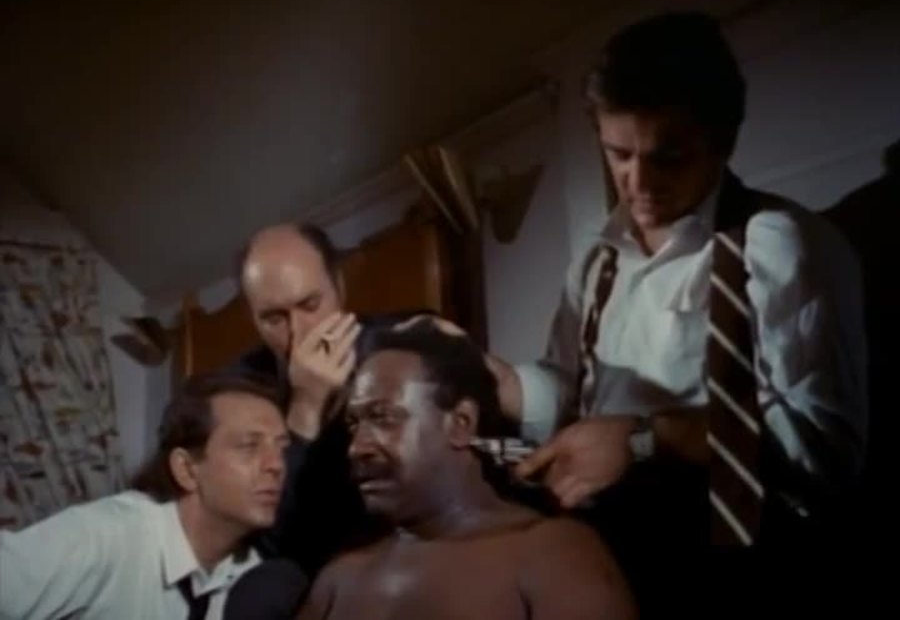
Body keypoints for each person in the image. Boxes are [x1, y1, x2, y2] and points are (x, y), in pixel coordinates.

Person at [474, 11, 867, 614]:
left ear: (723, 141)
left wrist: (645, 439)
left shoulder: (785, 247)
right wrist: (507, 386)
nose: (638, 182)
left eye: (669, 156)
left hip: (737, 580)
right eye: (619, 154)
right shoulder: (596, 263)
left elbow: (823, 448)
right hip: (611, 570)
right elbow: (571, 389)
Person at [297, 324, 636, 620]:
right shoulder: (338, 580)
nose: (357, 447)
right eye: (353, 425)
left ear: (461, 424)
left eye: (382, 417)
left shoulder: (552, 556)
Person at [0, 372, 291, 620]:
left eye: (281, 448)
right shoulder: (102, 537)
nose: (276, 465)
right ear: (186, 469)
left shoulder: (252, 580)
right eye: (249, 446)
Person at [235, 223, 429, 572]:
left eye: (310, 304)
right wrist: (305, 408)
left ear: (339, 286)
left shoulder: (406, 342)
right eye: (274, 318)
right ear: (253, 319)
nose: (299, 335)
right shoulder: (239, 392)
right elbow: (267, 543)